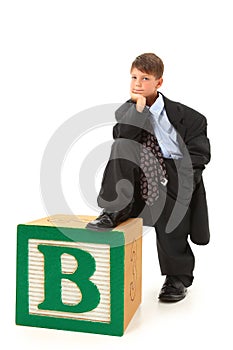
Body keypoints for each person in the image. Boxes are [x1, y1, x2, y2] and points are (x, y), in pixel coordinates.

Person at [86, 53, 211, 302]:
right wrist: (139, 109)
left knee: (170, 224)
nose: (137, 84)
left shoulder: (193, 118)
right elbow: (123, 136)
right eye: (133, 77)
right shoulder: (127, 110)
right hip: (139, 173)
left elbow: (200, 154)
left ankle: (176, 278)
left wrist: (185, 178)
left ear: (159, 82)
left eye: (145, 78)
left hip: (174, 174)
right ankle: (113, 211)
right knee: (122, 145)